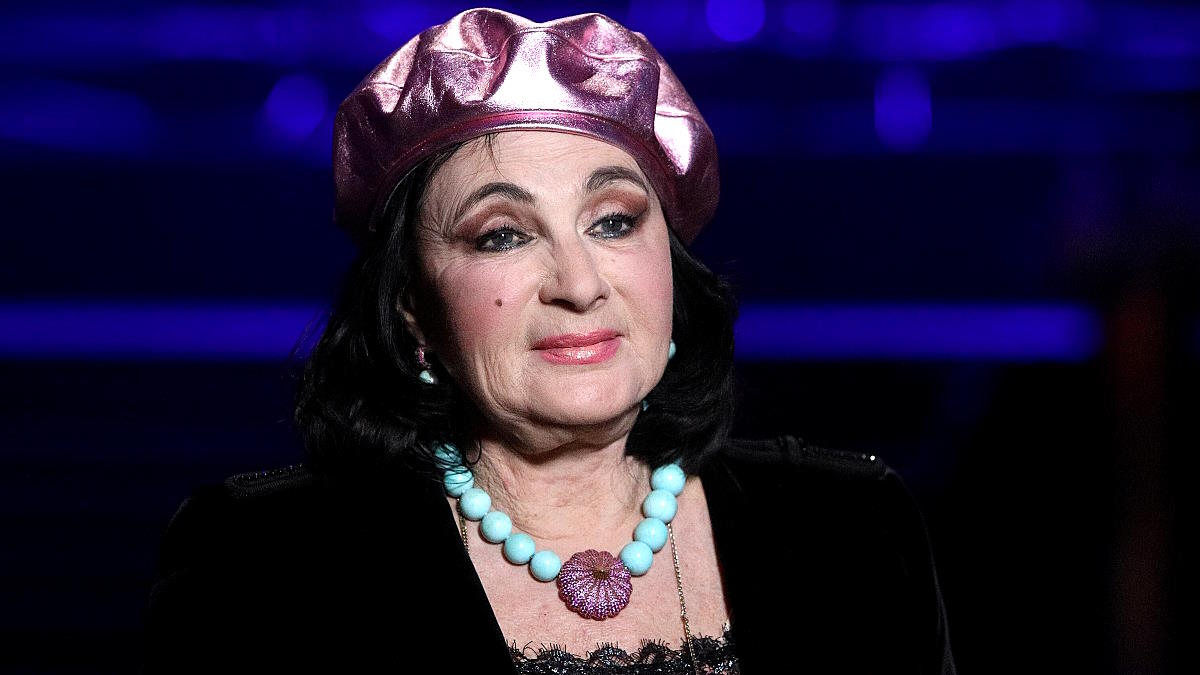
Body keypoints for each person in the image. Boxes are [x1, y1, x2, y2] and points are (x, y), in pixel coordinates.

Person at [144, 9, 955, 674]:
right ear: (412, 310)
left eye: (613, 221)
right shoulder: (259, 563)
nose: (579, 282)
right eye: (502, 234)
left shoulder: (855, 529)